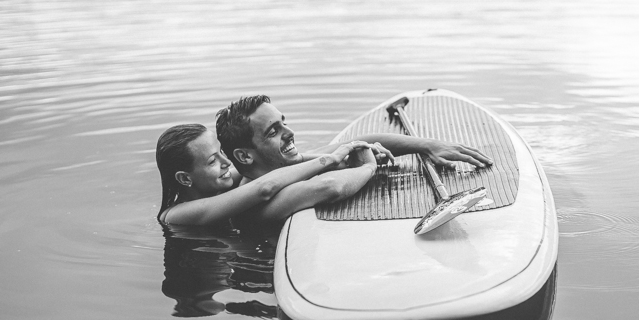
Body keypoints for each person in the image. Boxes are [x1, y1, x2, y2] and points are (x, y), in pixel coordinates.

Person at [214, 94, 493, 224]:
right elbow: (330, 187)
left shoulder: (286, 164)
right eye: (274, 131)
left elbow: (351, 143)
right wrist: (368, 166)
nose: (290, 133)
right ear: (244, 156)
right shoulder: (251, 201)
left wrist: (427, 145)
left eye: (283, 123)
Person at [155, 123, 379, 226]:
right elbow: (265, 187)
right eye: (213, 161)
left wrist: (352, 151)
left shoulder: (220, 181)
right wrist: (330, 161)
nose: (226, 162)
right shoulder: (179, 215)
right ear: (185, 179)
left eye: (222, 152)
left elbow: (288, 166)